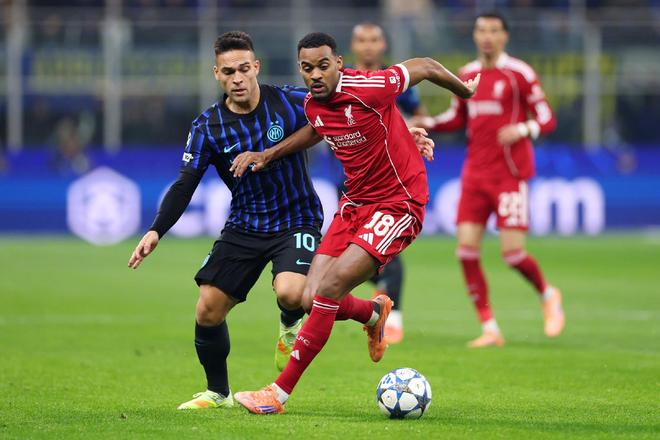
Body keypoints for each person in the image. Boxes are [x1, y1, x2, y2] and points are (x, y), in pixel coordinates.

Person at [127, 31, 435, 411]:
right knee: (207, 308)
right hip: (244, 225)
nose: (238, 78)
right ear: (217, 74)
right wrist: (156, 229)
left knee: (295, 294)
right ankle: (218, 393)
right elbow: (184, 183)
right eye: (228, 72)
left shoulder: (291, 100)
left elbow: (353, 110)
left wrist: (402, 134)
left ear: (256, 67)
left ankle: (290, 327)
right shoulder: (207, 126)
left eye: (244, 68)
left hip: (296, 219)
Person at [230, 32, 478, 414]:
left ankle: (277, 395)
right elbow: (318, 128)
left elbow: (426, 66)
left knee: (329, 289)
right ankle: (373, 313)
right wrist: (269, 154)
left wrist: (465, 92)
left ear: (339, 63)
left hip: (398, 203)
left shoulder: (370, 86)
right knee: (308, 297)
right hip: (354, 205)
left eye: (323, 66)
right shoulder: (314, 104)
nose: (315, 74)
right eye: (307, 68)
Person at [412, 12, 564, 348]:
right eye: (481, 30)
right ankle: (490, 328)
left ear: (504, 36)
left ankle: (548, 294)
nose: (487, 36)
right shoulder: (467, 74)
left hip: (509, 174)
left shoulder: (519, 73)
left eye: (494, 31)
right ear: (474, 35)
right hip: (474, 174)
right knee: (466, 251)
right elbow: (457, 117)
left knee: (512, 254)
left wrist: (522, 129)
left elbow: (547, 118)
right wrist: (428, 122)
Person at [349, 21, 430, 344]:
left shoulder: (397, 81)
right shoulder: (341, 82)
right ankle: (379, 304)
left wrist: (408, 133)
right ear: (353, 46)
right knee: (347, 256)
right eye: (362, 40)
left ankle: (392, 319)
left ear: (383, 45)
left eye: (374, 39)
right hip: (352, 183)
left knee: (386, 256)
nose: (368, 45)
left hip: (390, 182)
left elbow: (421, 114)